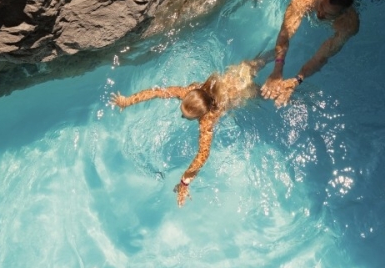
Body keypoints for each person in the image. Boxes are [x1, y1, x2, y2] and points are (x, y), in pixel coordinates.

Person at [110, 52, 271, 206]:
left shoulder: (207, 121)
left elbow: (202, 156)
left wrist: (184, 183)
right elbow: (157, 92)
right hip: (236, 75)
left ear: (200, 115)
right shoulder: (187, 93)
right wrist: (128, 101)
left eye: (186, 117)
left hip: (242, 94)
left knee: (265, 93)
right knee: (260, 60)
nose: (182, 116)